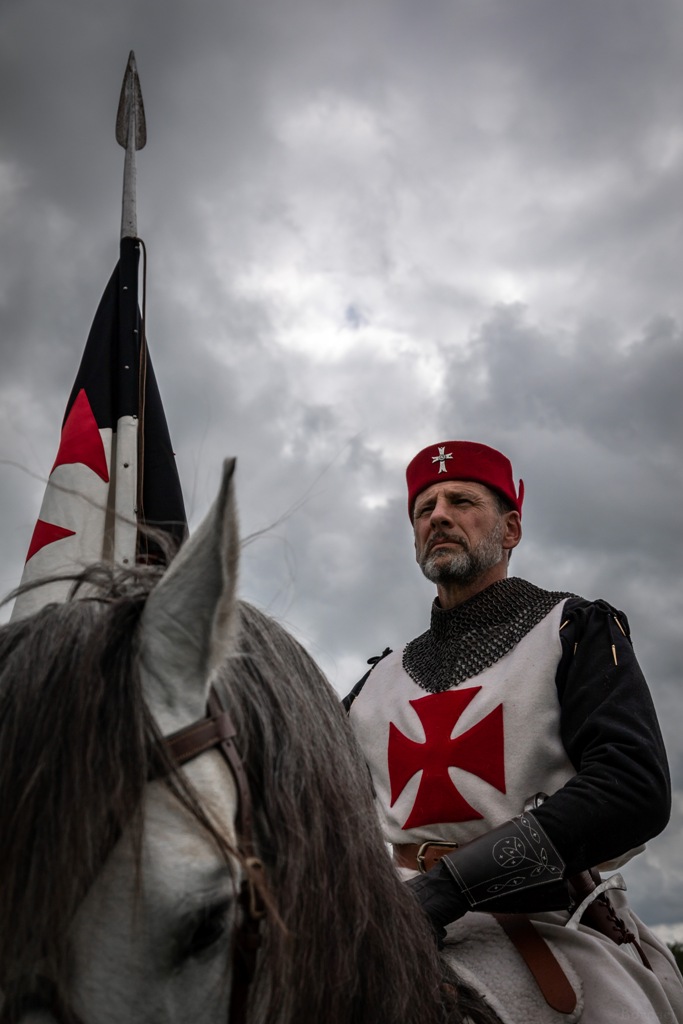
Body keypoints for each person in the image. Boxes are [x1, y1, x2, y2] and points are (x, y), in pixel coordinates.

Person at [345, 440, 683, 1023]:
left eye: (462, 501)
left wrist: (448, 889)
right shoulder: (376, 684)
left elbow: (632, 788)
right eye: (424, 509)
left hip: (553, 922)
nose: (439, 516)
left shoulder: (573, 630)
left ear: (511, 529)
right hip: (390, 922)